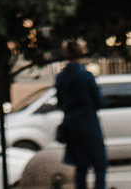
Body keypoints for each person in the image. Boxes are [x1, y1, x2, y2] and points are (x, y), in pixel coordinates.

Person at [53, 45, 106, 189]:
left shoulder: (61, 77)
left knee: (80, 165)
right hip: (89, 123)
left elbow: (60, 102)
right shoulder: (86, 76)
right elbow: (99, 101)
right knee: (99, 164)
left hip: (71, 125)